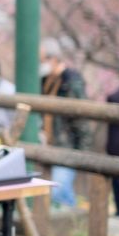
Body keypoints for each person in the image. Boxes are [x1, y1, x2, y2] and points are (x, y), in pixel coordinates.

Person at [39, 37, 94, 207]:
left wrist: (83, 152)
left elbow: (82, 119)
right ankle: (74, 224)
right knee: (59, 191)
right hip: (49, 143)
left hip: (67, 145)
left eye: (42, 60)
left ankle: (74, 222)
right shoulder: (45, 80)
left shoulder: (71, 80)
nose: (39, 64)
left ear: (53, 59)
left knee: (58, 189)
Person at [107, 80, 119, 217]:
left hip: (114, 146)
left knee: (117, 183)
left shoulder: (114, 95)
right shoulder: (115, 96)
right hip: (116, 147)